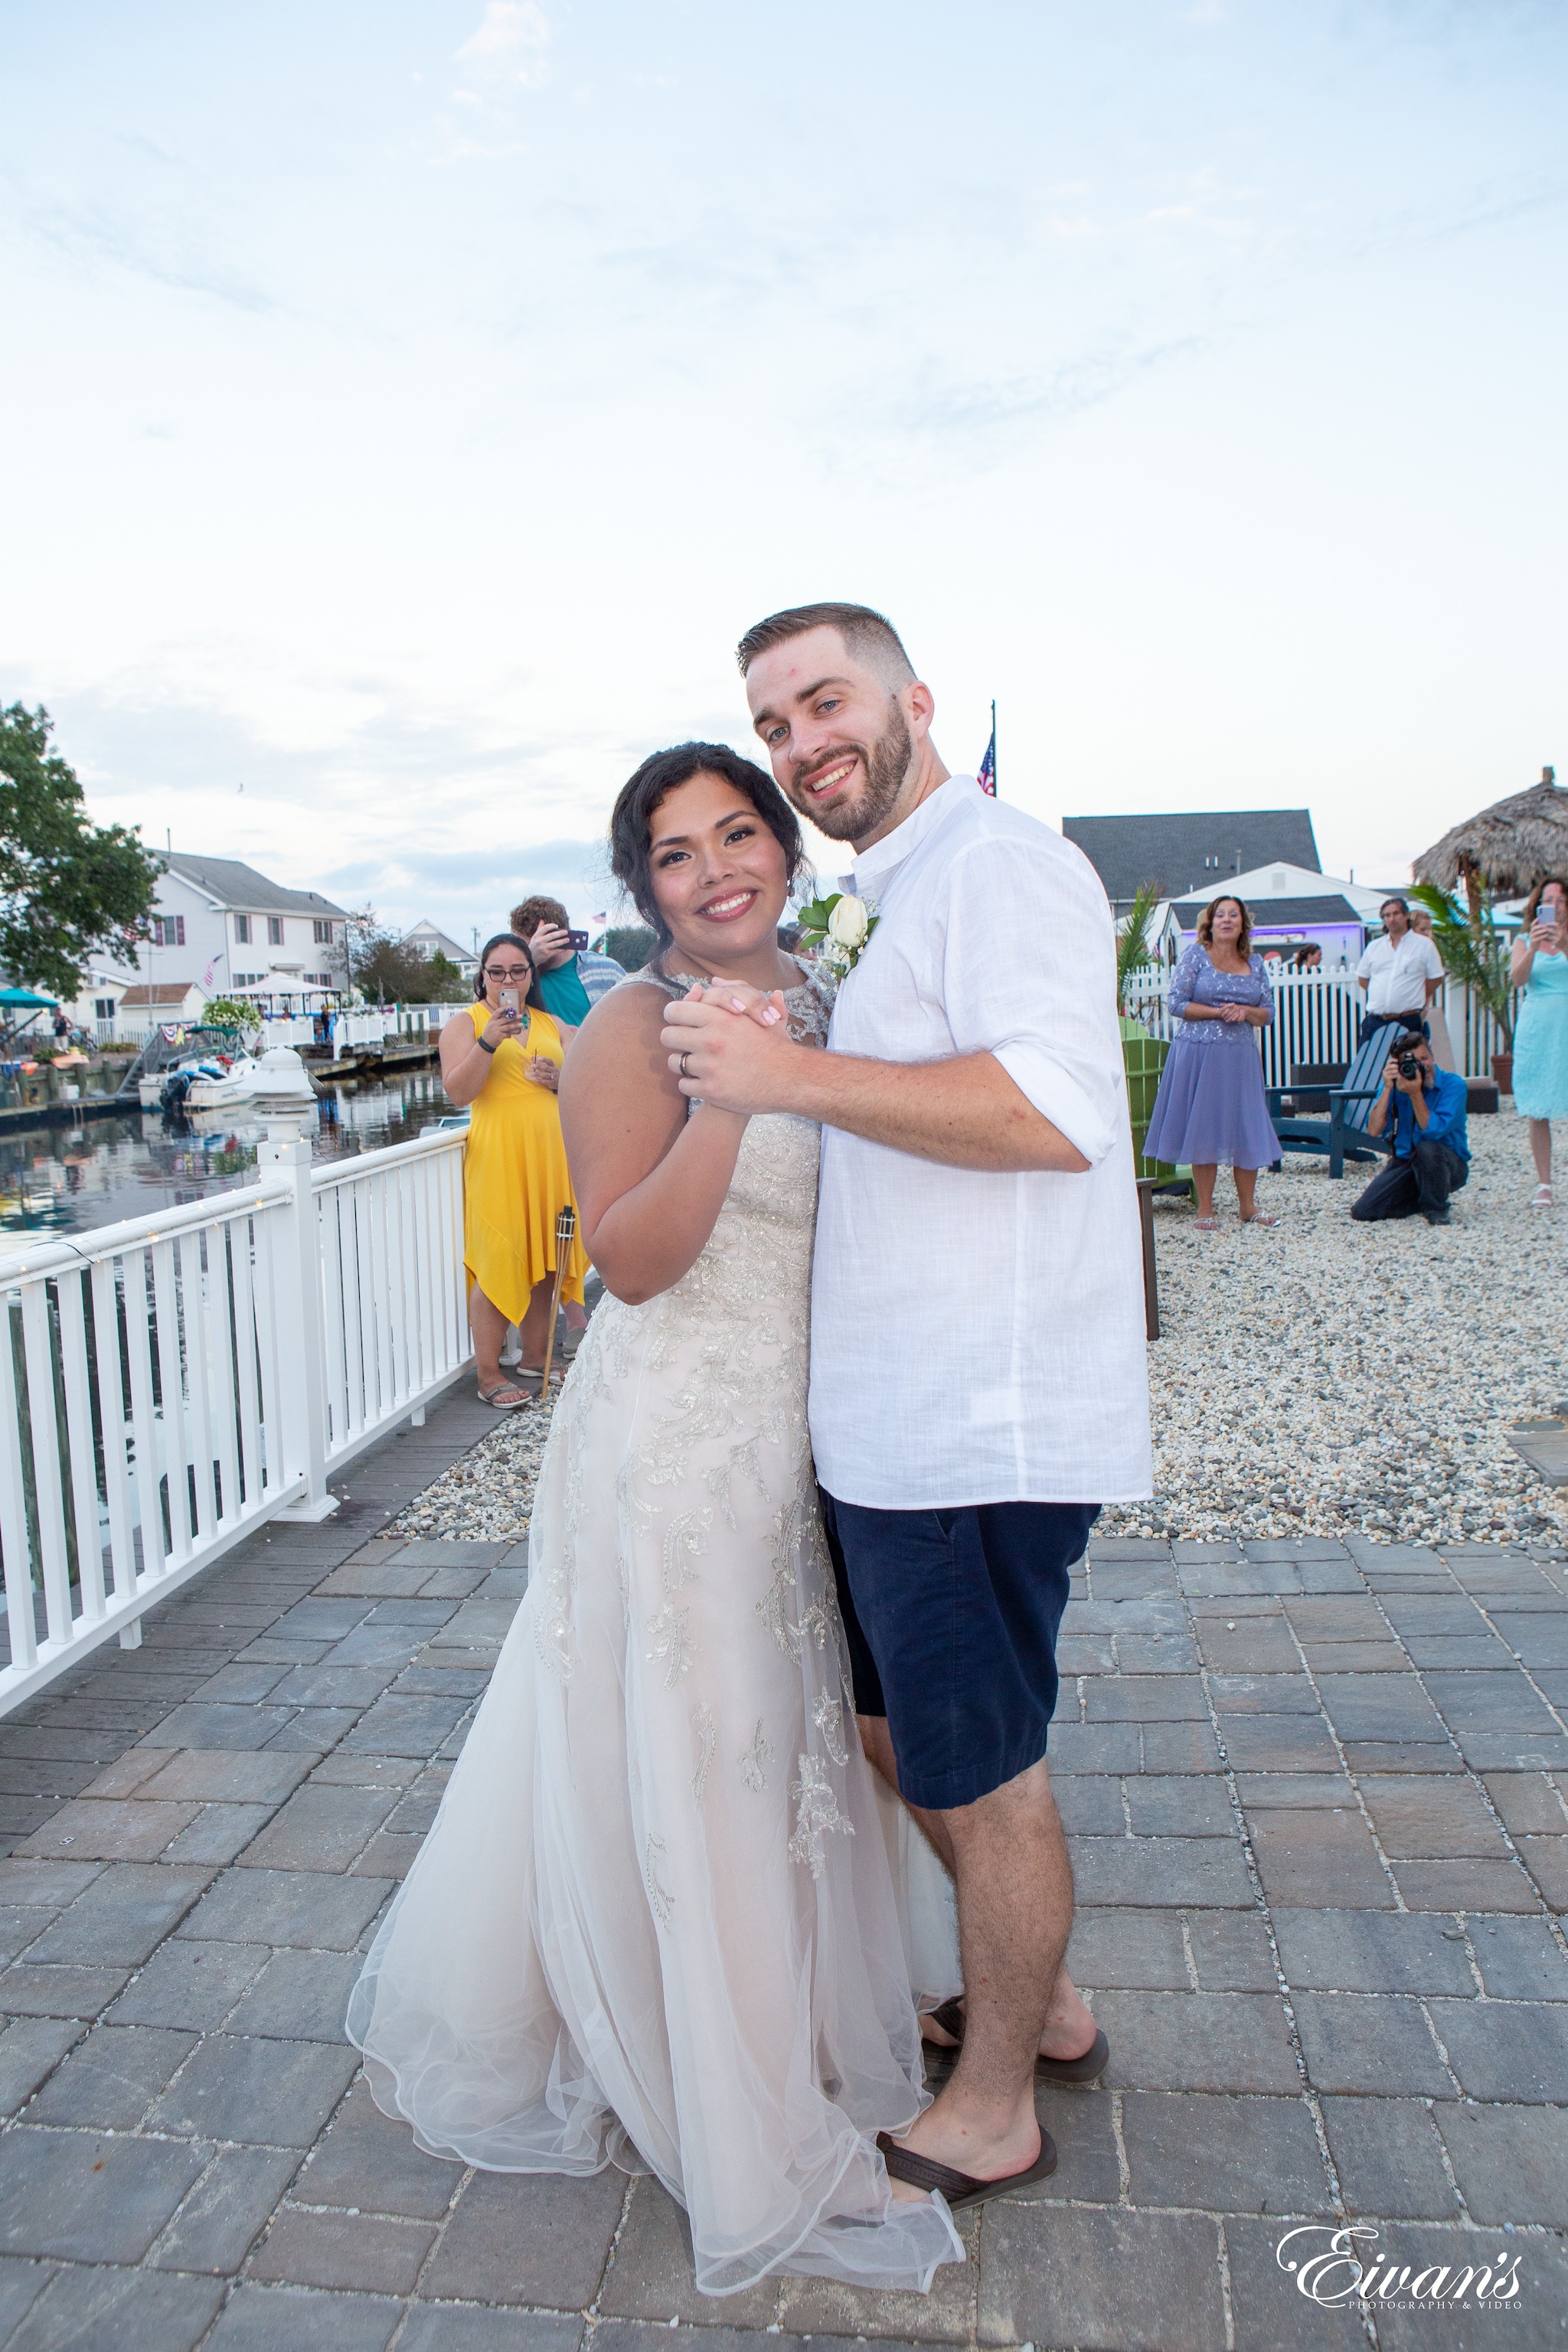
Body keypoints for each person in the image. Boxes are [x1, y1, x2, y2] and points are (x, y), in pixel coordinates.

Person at [348, 746, 965, 2295]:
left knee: (788, 1747)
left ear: (784, 848)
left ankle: (800, 2026)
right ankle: (748, 2130)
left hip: (804, 1430)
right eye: (674, 855)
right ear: (648, 893)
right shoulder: (636, 1025)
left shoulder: (839, 1005)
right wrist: (727, 1100)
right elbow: (625, 1259)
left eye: (736, 834)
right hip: (677, 1441)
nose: (713, 870)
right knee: (713, 1751)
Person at [659, 602, 1152, 2213]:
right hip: (888, 1425)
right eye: (774, 721)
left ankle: (997, 2098)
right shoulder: (908, 888)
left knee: (981, 1770)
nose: (802, 743)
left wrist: (785, 1078)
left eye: (822, 703)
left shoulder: (999, 865)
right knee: (902, 1739)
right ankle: (1045, 2002)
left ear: (910, 699)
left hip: (970, 1420)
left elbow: (1053, 1111)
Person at [437, 932, 590, 1407]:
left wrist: (561, 1081)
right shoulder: (466, 1025)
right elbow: (458, 1093)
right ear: (482, 976)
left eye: (517, 971)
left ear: (531, 976)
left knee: (548, 1258)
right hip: (499, 1155)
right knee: (498, 1256)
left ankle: (534, 1357)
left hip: (551, 1156)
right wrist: (486, 1043)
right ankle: (487, 1373)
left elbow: (594, 1092)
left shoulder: (554, 1024)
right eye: (497, 972)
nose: (507, 980)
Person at [1142, 897, 1282, 1231]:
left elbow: (1268, 1012)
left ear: (1243, 923)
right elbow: (1176, 1003)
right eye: (1221, 914)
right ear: (1210, 922)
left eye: (1234, 915)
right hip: (1198, 1053)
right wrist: (1219, 1012)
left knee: (1245, 1125)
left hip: (1240, 1057)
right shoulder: (1195, 956)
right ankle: (1205, 1207)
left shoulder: (1256, 963)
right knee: (1204, 1125)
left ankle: (1248, 1206)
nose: (1227, 920)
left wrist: (1244, 1012)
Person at [1350, 1030, 1469, 1227]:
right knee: (1363, 1211)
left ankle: (1436, 1209)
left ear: (1433, 1056)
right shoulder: (1397, 1085)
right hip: (1406, 1162)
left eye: (1425, 1058)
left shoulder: (1454, 1085)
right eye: (1413, 1062)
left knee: (1427, 1148)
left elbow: (1433, 1131)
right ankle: (1422, 1201)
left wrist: (1415, 1094)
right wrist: (1387, 1088)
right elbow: (1373, 1130)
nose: (1422, 1066)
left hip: (1447, 1165)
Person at [1508, 875, 1568, 1207]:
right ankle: (1544, 1183)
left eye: (1560, 900)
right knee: (1539, 1109)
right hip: (1537, 1028)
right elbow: (1518, 979)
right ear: (1538, 906)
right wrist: (1533, 946)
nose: (1554, 907)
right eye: (1548, 900)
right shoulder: (1523, 940)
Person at [510, 893, 626, 1027]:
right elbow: (492, 1010)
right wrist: (530, 961)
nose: (521, 951)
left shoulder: (606, 971)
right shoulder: (514, 975)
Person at [1356, 896, 1442, 1044]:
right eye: (1387, 915)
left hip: (1407, 1020)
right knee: (1369, 1065)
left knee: (1406, 1064)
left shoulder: (1424, 945)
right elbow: (1363, 978)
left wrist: (1419, 994)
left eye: (1396, 914)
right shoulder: (1374, 947)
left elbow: (1436, 978)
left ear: (1406, 915)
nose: (1392, 919)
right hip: (1376, 1021)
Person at [1407, 910, 1458, 1070]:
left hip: (1421, 1013)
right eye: (1423, 930)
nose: (1428, 934)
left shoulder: (1428, 950)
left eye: (1429, 929)